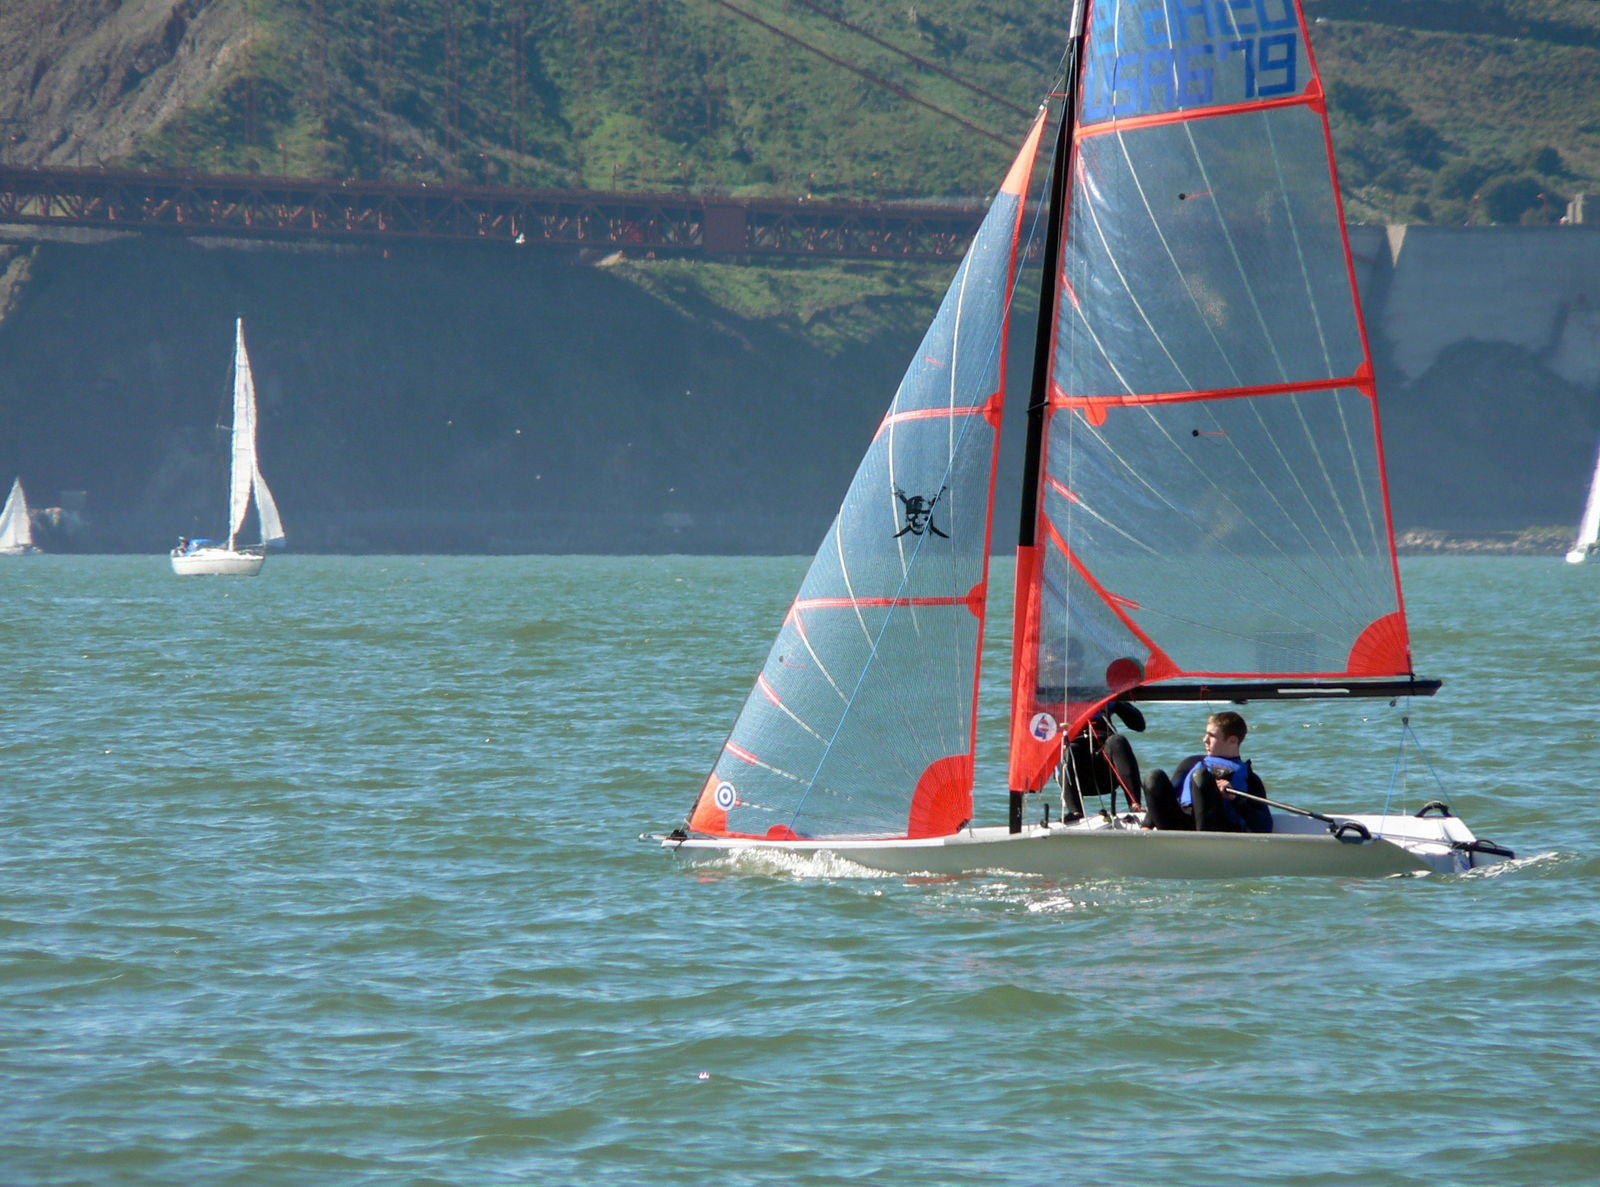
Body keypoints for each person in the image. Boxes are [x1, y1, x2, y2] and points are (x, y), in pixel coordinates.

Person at [1141, 710, 1271, 833]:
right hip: (1182, 824)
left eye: (1212, 736)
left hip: (1217, 828)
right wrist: (1147, 825)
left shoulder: (1251, 779)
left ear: (1232, 740)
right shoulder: (1190, 763)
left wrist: (1236, 799)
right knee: (1153, 777)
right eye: (1206, 734)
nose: (1205, 739)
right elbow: (1161, 797)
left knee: (1201, 777)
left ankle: (1203, 841)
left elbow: (1264, 825)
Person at [1059, 699, 1145, 818]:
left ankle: (1135, 805)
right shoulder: (1060, 699)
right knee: (1069, 750)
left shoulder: (1104, 698)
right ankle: (1075, 812)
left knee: (1117, 741)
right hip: (1080, 775)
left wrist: (1117, 703)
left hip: (1107, 772)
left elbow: (1140, 725)